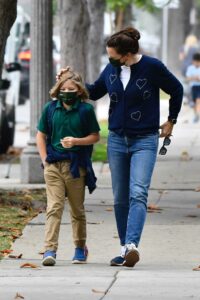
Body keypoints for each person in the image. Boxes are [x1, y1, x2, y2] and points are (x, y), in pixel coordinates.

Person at [58, 27, 183, 268]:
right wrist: (69, 79)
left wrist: (171, 119)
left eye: (113, 56)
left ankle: (131, 245)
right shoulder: (112, 69)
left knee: (138, 192)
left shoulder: (152, 67)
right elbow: (93, 92)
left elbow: (176, 89)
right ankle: (125, 248)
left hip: (144, 140)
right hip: (116, 140)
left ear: (126, 54)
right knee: (120, 198)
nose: (110, 59)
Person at [36, 67, 100, 266]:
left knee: (76, 210)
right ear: (58, 89)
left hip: (76, 166)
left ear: (79, 91)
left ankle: (80, 247)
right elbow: (41, 135)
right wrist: (45, 159)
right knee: (54, 207)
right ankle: (49, 249)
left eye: (72, 89)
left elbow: (95, 136)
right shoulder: (50, 108)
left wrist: (76, 141)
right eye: (64, 88)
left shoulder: (86, 110)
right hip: (54, 165)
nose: (67, 92)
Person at [186, 53, 200, 123]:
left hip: (199, 86)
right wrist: (194, 77)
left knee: (198, 101)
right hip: (193, 87)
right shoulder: (190, 68)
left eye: (198, 62)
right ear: (193, 61)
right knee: (194, 103)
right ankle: (196, 115)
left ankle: (197, 114)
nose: (197, 63)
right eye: (195, 62)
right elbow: (188, 78)